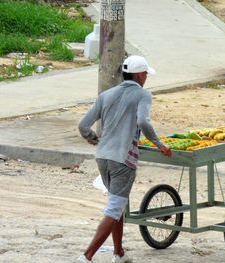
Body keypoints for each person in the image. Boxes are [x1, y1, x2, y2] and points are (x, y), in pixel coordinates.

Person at [77, 55, 172, 263]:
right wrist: (159, 144)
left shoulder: (106, 95)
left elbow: (83, 125)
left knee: (117, 204)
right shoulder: (143, 95)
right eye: (145, 73)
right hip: (123, 160)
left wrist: (92, 138)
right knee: (114, 208)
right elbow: (143, 122)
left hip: (102, 156)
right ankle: (87, 256)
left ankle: (118, 253)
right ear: (139, 74)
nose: (146, 77)